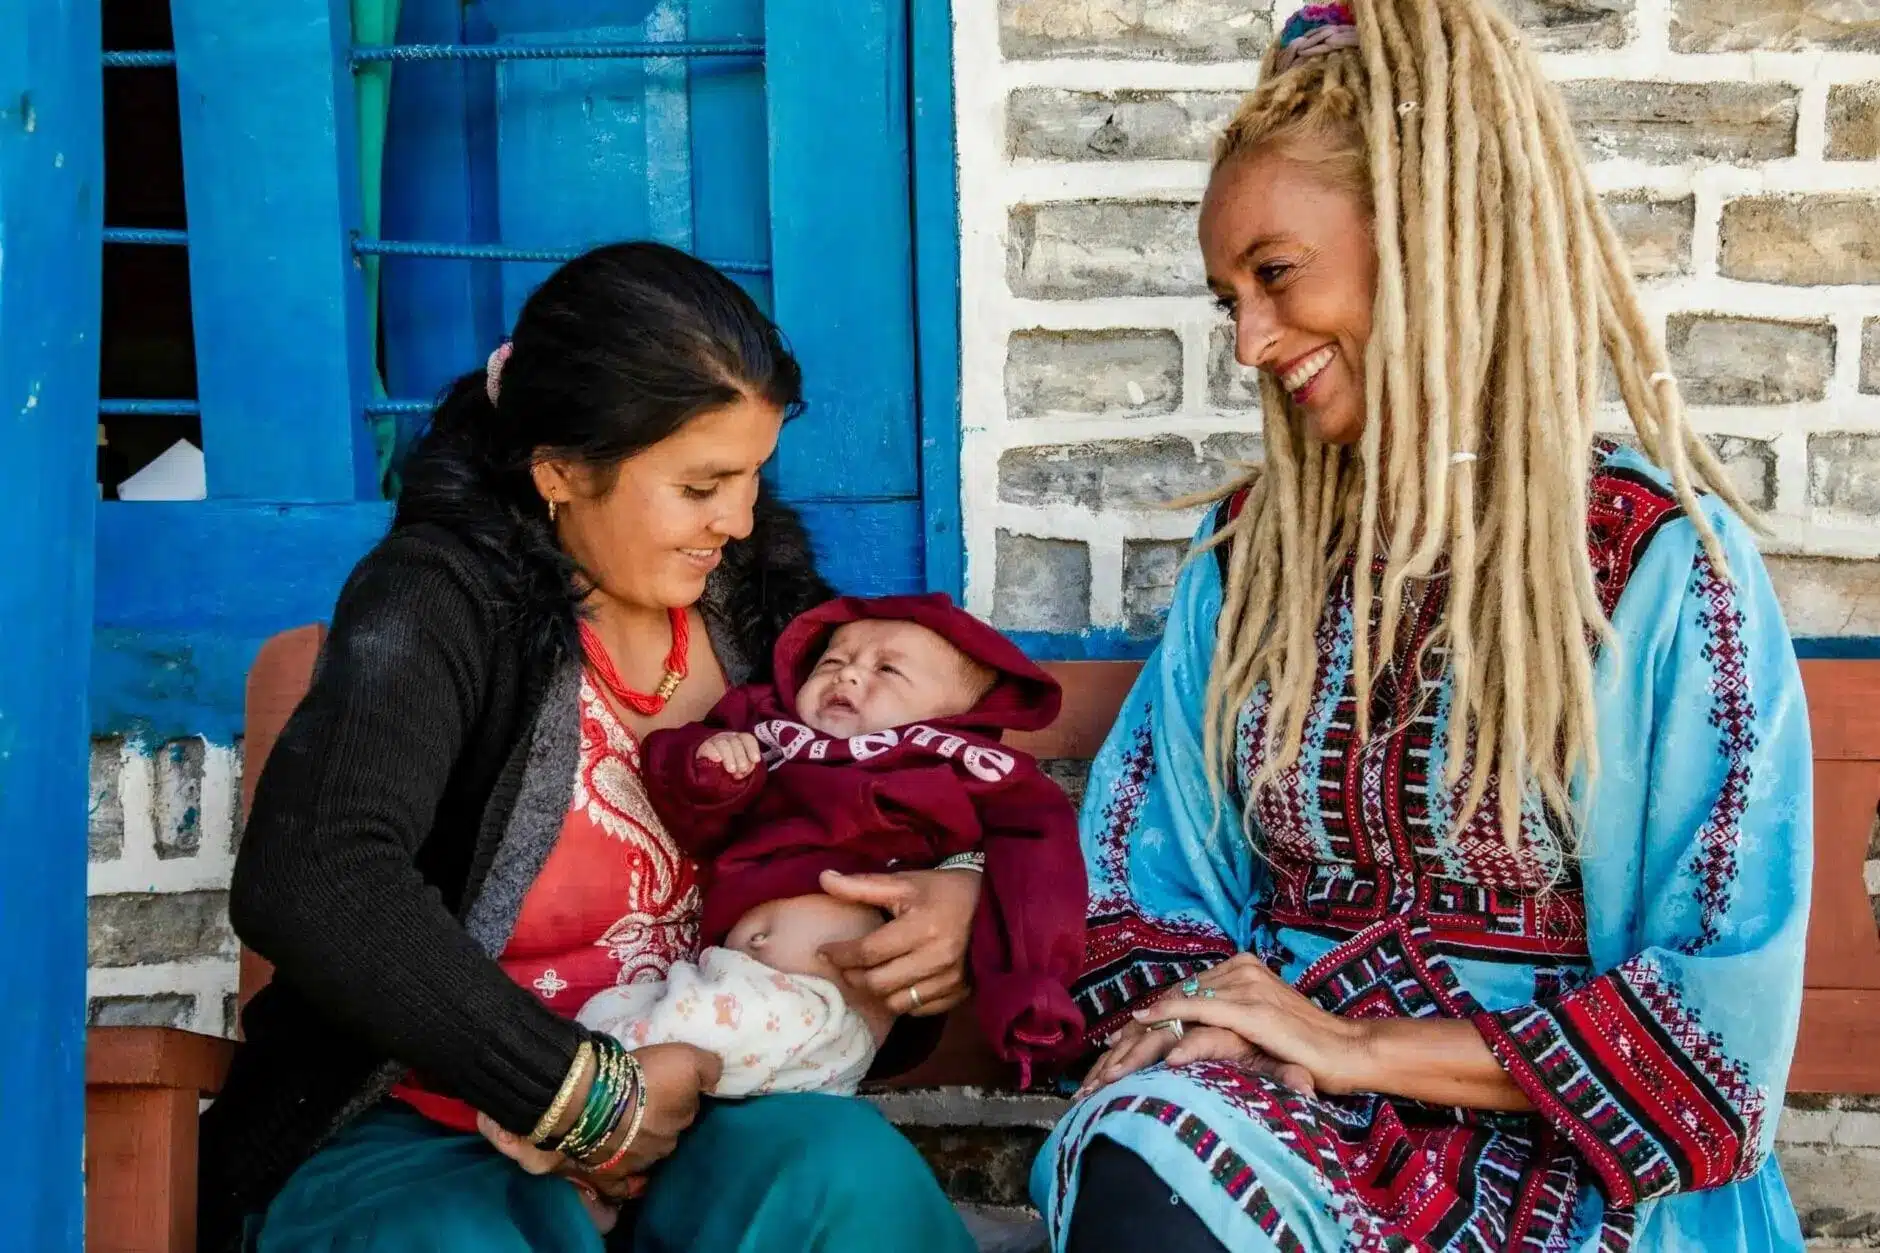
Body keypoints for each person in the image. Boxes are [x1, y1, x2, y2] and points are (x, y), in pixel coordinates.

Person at [1035, 2, 1811, 1251]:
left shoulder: (1655, 562)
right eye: (1228, 295)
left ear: (1425, 237)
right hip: (1275, 1115)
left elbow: (1714, 1032)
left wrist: (1355, 1044)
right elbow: (1139, 886)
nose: (1248, 340)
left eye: (1274, 275)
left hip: (1567, 1154)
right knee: (1150, 1153)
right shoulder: (1249, 564)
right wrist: (1209, 1017)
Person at [201, 241, 980, 1253]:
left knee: (845, 1177)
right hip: (430, 1128)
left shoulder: (768, 611)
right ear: (561, 470)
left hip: (709, 1114)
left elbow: (918, 788)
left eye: (750, 477)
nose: (737, 520)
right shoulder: (441, 599)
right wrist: (579, 1093)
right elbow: (314, 873)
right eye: (701, 486)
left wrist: (957, 894)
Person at [620, 593, 1088, 1088]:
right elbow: (681, 790)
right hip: (713, 975)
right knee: (612, 1016)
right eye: (833, 661)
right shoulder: (769, 729)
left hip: (825, 1014)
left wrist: (1031, 990)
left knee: (654, 1063)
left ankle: (600, 1105)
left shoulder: (963, 765)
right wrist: (709, 769)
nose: (847, 675)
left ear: (958, 713)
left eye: (888, 670)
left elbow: (1040, 873)